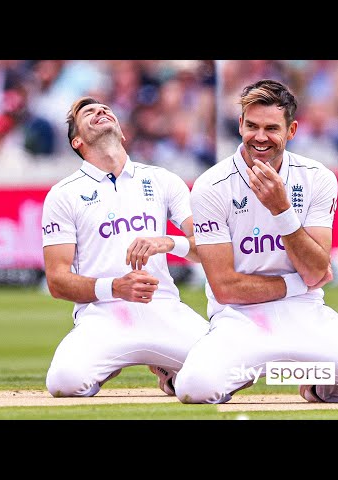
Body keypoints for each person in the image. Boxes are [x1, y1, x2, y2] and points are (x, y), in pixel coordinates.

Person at [174, 79, 338, 404]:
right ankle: (256, 371)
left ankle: (317, 384)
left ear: (291, 131)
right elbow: (225, 287)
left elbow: (317, 268)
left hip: (306, 312)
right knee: (196, 387)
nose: (260, 137)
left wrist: (282, 210)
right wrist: (297, 284)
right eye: (252, 126)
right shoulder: (211, 186)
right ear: (240, 125)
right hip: (240, 317)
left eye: (271, 128)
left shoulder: (315, 177)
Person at [41, 96, 210, 398]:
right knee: (64, 382)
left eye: (105, 109)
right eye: (88, 112)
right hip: (103, 314)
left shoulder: (161, 180)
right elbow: (57, 281)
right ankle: (109, 363)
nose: (100, 111)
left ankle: (169, 374)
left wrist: (169, 242)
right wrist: (116, 287)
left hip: (163, 307)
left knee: (231, 374)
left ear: (122, 133)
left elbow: (209, 248)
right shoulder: (63, 194)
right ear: (77, 141)